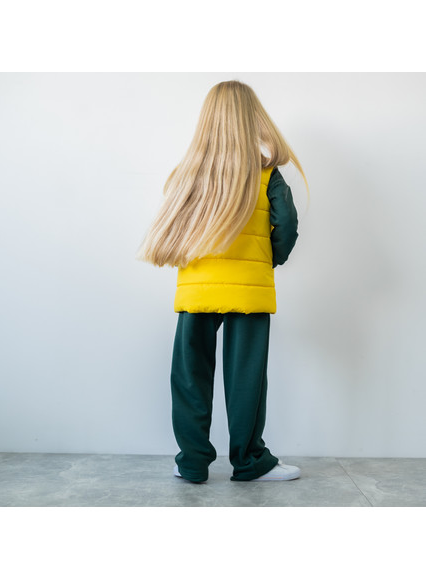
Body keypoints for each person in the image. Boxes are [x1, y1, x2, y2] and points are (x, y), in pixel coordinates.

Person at [136, 80, 310, 484]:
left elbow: (174, 230)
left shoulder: (187, 175)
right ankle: (249, 462)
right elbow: (287, 225)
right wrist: (268, 261)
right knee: (247, 378)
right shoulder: (268, 174)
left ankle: (192, 463)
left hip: (196, 290)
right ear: (252, 118)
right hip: (249, 291)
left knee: (189, 377)